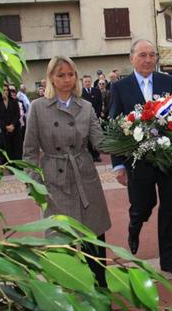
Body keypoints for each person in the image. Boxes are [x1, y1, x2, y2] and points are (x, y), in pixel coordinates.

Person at [23, 55, 111, 287]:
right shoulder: (38, 108)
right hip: (54, 179)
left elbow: (101, 142)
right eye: (60, 75)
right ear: (51, 78)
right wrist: (34, 186)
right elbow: (29, 153)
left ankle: (101, 291)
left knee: (95, 239)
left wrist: (131, 135)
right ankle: (65, 294)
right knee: (62, 242)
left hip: (85, 176)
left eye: (71, 74)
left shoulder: (86, 106)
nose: (67, 79)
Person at [109, 39, 172, 279]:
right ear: (132, 57)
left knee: (170, 209)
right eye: (142, 55)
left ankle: (170, 260)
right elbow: (114, 128)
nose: (148, 59)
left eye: (152, 55)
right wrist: (119, 165)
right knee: (143, 206)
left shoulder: (167, 82)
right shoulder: (120, 88)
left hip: (168, 161)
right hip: (138, 162)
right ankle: (135, 226)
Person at [0, 84, 22, 162]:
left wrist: (12, 125)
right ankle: (11, 164)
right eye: (3, 90)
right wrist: (6, 127)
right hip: (6, 130)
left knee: (17, 147)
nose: (5, 92)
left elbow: (17, 115)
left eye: (7, 90)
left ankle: (19, 165)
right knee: (8, 148)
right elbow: (0, 118)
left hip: (15, 128)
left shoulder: (14, 101)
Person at [82, 75, 103, 162]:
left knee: (95, 136)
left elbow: (99, 103)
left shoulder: (96, 91)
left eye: (88, 81)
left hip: (95, 117)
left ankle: (96, 155)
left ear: (91, 82)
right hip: (84, 118)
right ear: (83, 83)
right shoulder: (80, 93)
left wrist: (97, 115)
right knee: (87, 138)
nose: (87, 83)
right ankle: (90, 156)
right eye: (85, 82)